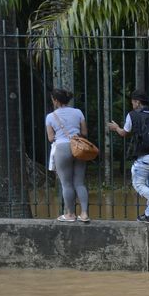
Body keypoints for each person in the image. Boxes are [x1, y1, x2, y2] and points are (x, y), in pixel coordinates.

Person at [108, 90, 149, 225]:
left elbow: (124, 133)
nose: (132, 105)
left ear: (137, 102)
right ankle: (148, 215)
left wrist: (116, 127)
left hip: (144, 156)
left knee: (138, 184)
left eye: (132, 102)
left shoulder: (132, 115)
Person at [45, 88, 91, 223]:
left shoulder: (50, 116)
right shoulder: (78, 112)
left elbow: (50, 138)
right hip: (78, 147)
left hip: (62, 148)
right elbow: (84, 132)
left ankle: (70, 214)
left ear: (56, 100)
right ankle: (84, 214)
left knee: (66, 184)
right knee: (79, 183)